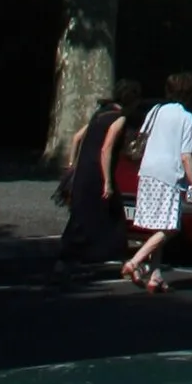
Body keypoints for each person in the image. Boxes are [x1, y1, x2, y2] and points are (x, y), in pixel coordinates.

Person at [123, 72, 192, 291]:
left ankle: (155, 274)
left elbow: (142, 137)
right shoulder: (187, 118)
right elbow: (186, 155)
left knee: (157, 226)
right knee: (170, 227)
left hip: (148, 171)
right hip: (169, 175)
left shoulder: (155, 111)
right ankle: (135, 261)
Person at [57, 79, 140, 269]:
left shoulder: (100, 113)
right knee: (110, 215)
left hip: (82, 172)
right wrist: (108, 181)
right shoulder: (119, 118)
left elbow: (77, 137)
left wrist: (72, 165)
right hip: (97, 173)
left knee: (82, 215)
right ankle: (108, 255)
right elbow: (106, 148)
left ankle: (72, 257)